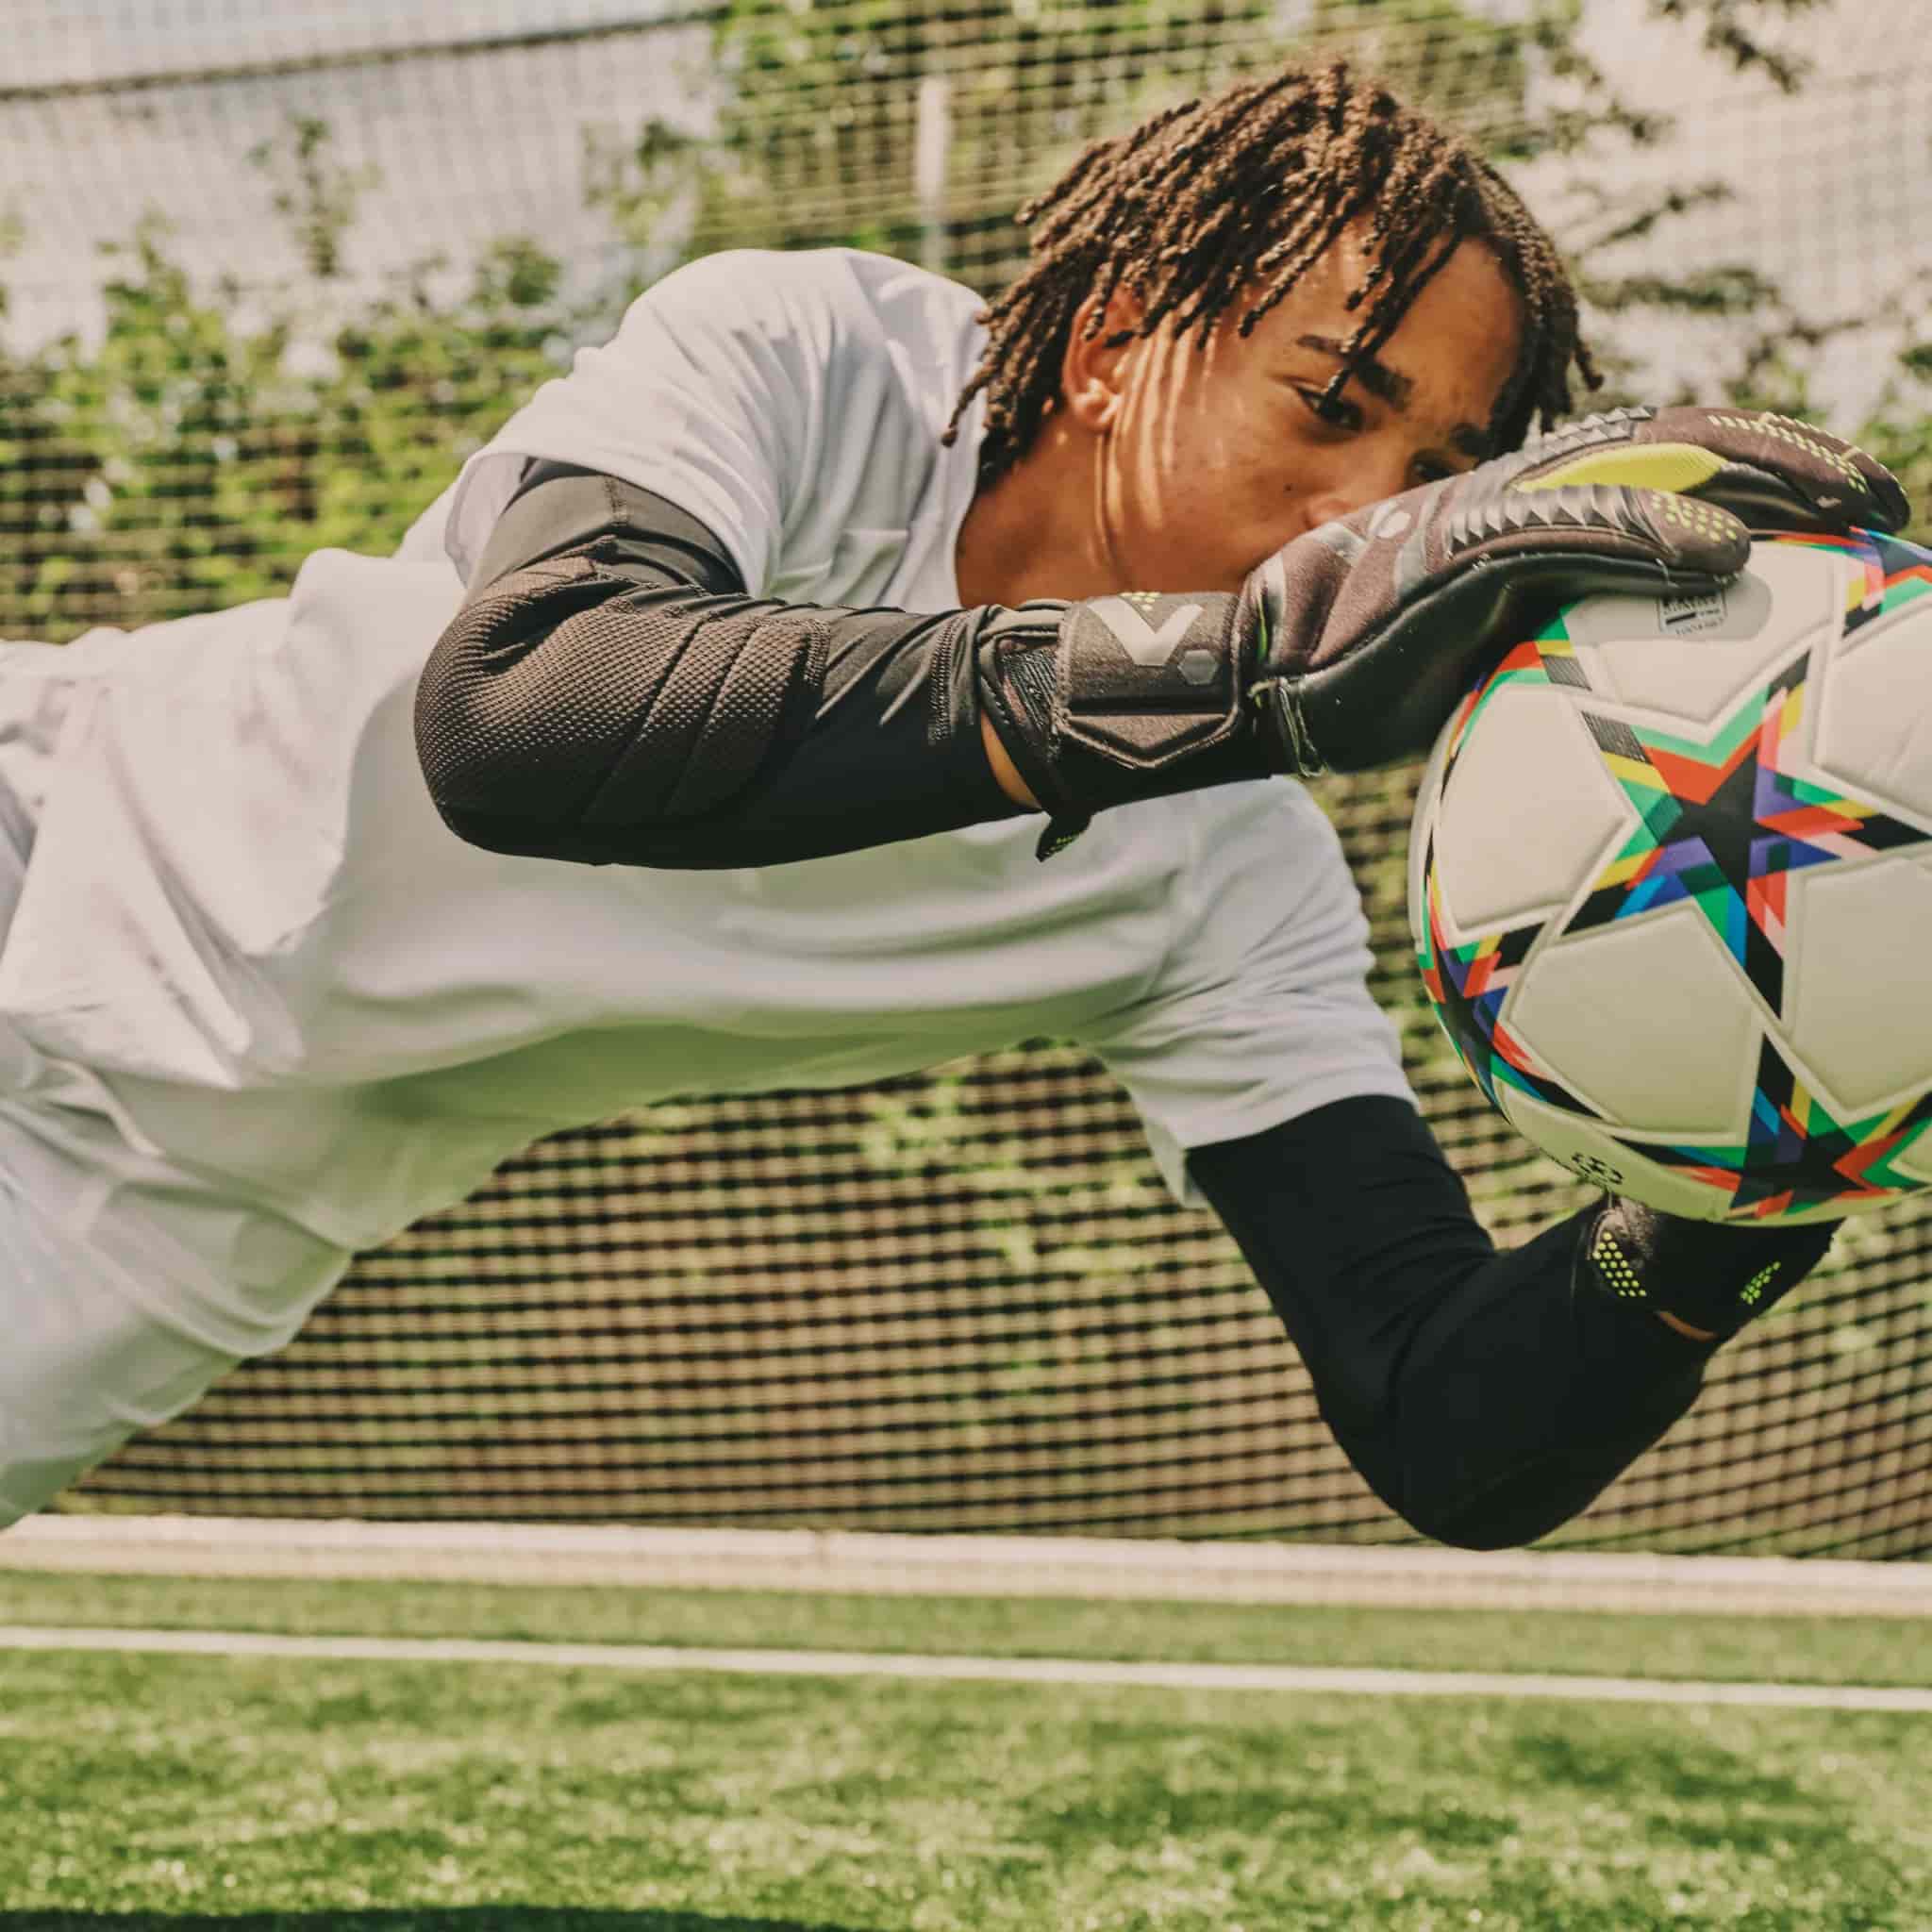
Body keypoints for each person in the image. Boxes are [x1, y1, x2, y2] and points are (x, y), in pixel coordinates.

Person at [0, 62, 1905, 1543]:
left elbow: (1443, 1420)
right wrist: (1228, 667)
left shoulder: (1229, 880)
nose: (1369, 509)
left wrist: (1756, 1164)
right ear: (1115, 340)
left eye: (1431, 473)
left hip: (192, 1210)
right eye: (1330, 403)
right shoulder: (824, 362)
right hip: (45, 824)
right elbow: (524, 712)